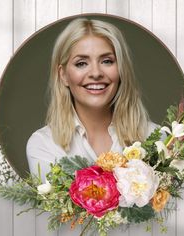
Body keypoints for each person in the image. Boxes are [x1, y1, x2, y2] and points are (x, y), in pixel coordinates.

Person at [26, 18, 157, 179]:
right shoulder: (44, 144)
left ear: (121, 70)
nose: (96, 73)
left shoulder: (155, 138)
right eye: (81, 63)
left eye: (107, 61)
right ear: (63, 75)